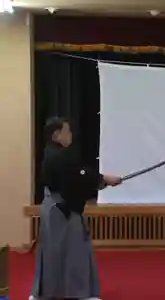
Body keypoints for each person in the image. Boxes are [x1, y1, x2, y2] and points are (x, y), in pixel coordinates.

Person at [30, 117, 122, 300]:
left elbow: (80, 174)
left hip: (54, 208)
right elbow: (79, 177)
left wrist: (100, 180)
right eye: (67, 131)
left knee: (54, 251)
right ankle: (79, 294)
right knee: (75, 250)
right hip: (61, 209)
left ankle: (46, 293)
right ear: (56, 135)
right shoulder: (59, 156)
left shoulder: (54, 153)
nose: (70, 135)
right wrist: (103, 180)